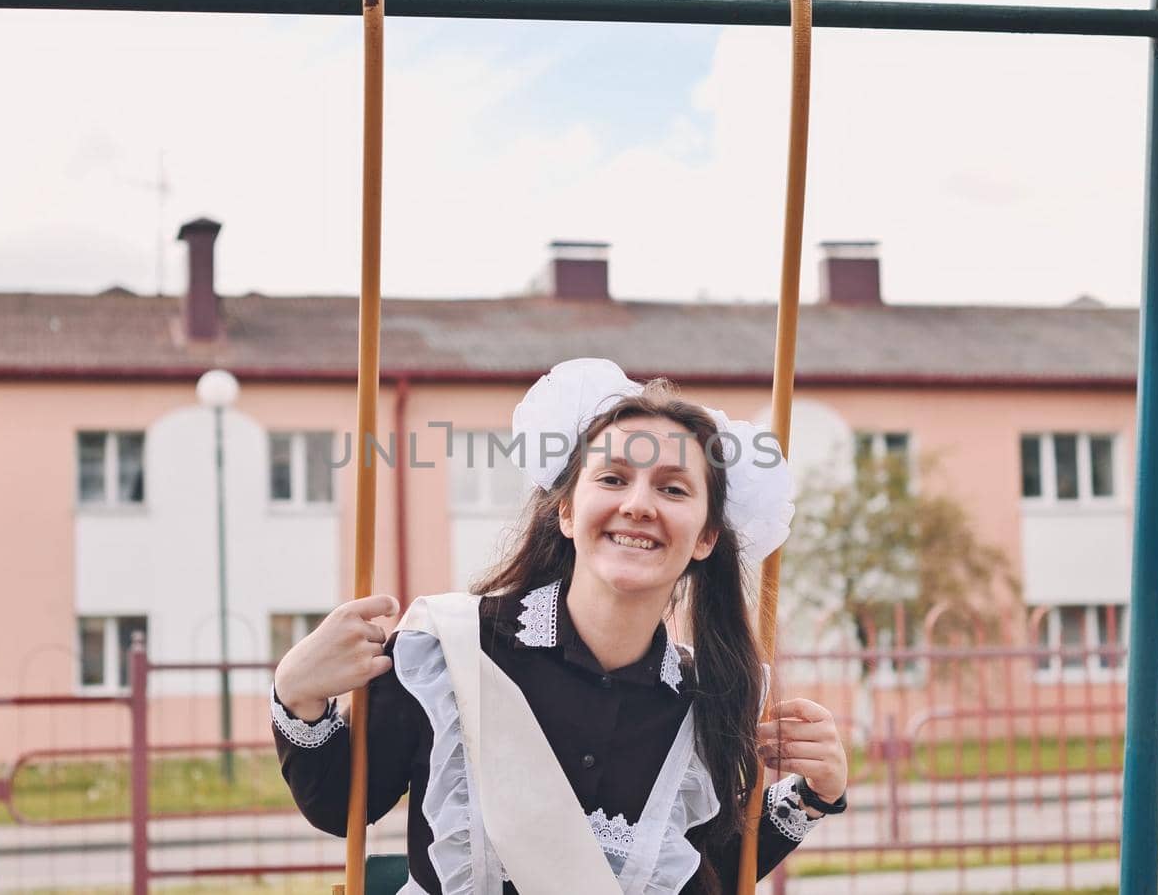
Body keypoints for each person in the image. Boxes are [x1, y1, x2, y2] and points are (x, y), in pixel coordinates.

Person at [272, 359, 847, 895]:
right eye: (614, 479)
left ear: (705, 537)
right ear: (567, 511)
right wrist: (297, 690)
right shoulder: (451, 651)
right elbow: (340, 805)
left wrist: (814, 796)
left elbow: (703, 874)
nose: (640, 505)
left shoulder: (712, 695)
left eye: (673, 488)